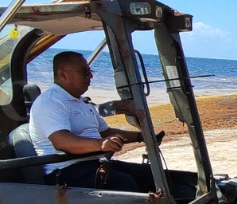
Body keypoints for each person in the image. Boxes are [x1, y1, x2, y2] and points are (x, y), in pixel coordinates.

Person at [29, 50, 155, 192]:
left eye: (90, 71)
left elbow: (105, 132)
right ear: (63, 74)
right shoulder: (51, 101)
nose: (90, 76)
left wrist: (142, 137)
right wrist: (101, 145)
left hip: (92, 163)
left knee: (149, 173)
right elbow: (61, 142)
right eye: (84, 72)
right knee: (123, 182)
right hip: (64, 171)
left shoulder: (82, 102)